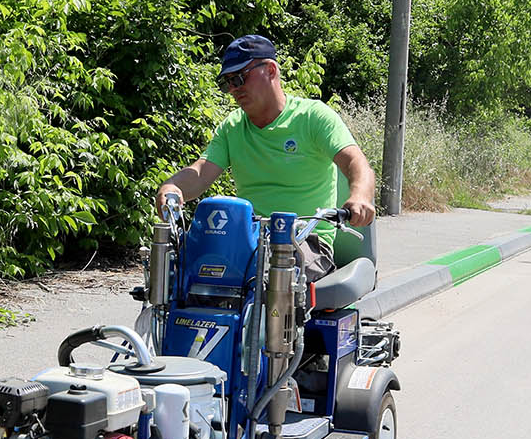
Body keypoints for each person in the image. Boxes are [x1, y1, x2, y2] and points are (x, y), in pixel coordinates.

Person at [154, 34, 377, 285]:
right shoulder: (233, 127)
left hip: (304, 241)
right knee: (181, 275)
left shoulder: (313, 117)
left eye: (240, 77)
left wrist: (359, 196)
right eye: (228, 82)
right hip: (247, 241)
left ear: (270, 70)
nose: (234, 89)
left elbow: (356, 164)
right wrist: (172, 187)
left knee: (269, 278)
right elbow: (201, 172)